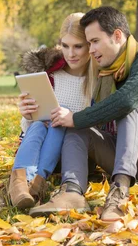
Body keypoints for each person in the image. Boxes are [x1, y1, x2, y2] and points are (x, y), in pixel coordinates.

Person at [29, 6, 138, 221]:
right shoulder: (107, 73)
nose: (90, 50)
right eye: (88, 43)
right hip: (127, 155)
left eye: (95, 42)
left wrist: (77, 117)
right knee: (78, 128)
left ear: (117, 36)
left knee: (130, 106)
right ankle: (71, 192)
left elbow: (127, 100)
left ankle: (119, 195)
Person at [9, 13, 94, 209]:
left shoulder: (98, 78)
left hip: (74, 154)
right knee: (38, 125)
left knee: (59, 125)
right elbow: (30, 126)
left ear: (90, 45)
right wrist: (27, 113)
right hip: (38, 150)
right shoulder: (52, 74)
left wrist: (70, 118)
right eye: (65, 46)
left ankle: (32, 182)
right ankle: (24, 185)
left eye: (78, 46)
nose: (70, 53)